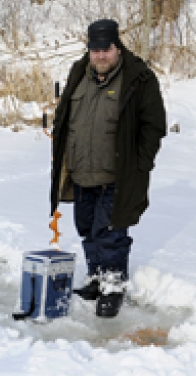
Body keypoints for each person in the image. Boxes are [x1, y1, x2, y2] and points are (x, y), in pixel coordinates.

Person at [50, 19, 167, 318]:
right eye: (95, 50)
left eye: (107, 49)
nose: (101, 55)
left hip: (118, 175)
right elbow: (65, 117)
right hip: (81, 171)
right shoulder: (79, 73)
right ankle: (95, 277)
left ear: (117, 48)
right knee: (87, 228)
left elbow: (154, 126)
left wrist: (141, 164)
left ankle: (113, 285)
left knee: (111, 232)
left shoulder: (138, 78)